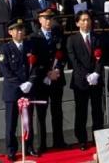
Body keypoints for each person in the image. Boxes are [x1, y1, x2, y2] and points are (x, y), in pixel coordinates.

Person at [0, 20, 38, 161]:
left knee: (28, 122)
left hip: (27, 89)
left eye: (21, 29)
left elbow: (34, 66)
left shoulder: (29, 46)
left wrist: (30, 82)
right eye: (16, 29)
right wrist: (20, 84)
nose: (20, 32)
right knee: (11, 122)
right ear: (10, 32)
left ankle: (29, 147)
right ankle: (11, 149)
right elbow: (6, 71)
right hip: (12, 91)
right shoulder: (5, 48)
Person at [30, 9, 67, 152]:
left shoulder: (58, 35)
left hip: (56, 78)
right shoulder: (34, 37)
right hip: (42, 81)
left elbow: (63, 55)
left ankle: (59, 141)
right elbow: (34, 60)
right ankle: (42, 144)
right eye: (45, 18)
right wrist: (46, 73)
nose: (48, 20)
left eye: (50, 18)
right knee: (41, 114)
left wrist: (57, 70)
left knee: (57, 111)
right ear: (39, 20)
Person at [66, 10, 104, 151]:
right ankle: (82, 139)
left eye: (88, 19)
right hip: (80, 82)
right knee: (81, 112)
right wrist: (86, 75)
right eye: (82, 20)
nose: (86, 22)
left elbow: (100, 58)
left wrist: (96, 74)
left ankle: (97, 138)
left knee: (97, 111)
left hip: (95, 80)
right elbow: (74, 61)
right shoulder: (72, 40)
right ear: (77, 23)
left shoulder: (97, 38)